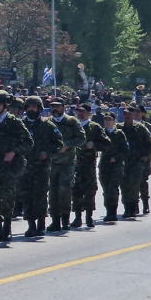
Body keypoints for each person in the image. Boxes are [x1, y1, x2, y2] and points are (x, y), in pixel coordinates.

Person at [0, 91, 32, 242]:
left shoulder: (14, 122)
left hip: (11, 164)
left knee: (7, 196)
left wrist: (14, 152)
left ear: (5, 105)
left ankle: (7, 228)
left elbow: (28, 142)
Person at [21, 96, 63, 237]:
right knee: (27, 196)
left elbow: (58, 143)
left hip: (42, 167)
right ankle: (30, 225)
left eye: (34, 107)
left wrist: (48, 152)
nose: (31, 109)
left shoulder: (47, 125)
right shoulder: (21, 125)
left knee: (40, 195)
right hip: (25, 166)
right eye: (29, 107)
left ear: (39, 108)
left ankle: (40, 224)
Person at [47, 99, 86, 231]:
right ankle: (55, 220)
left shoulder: (72, 122)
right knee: (52, 191)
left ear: (64, 107)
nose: (55, 109)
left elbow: (82, 138)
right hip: (51, 161)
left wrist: (67, 145)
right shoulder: (47, 123)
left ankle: (65, 219)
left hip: (67, 162)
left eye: (57, 107)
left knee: (64, 189)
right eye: (52, 107)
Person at [72, 103, 110, 228]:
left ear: (89, 113)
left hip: (88, 164)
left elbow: (106, 144)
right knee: (76, 191)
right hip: (74, 164)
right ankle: (77, 217)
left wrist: (94, 145)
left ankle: (89, 217)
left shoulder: (94, 127)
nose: (79, 113)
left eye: (82, 111)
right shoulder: (73, 126)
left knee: (89, 190)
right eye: (78, 111)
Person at [119, 106, 151, 218]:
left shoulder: (141, 128)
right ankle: (127, 208)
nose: (127, 116)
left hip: (136, 162)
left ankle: (134, 208)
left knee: (134, 185)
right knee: (124, 186)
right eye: (125, 114)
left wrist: (145, 156)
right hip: (124, 162)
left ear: (133, 115)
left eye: (129, 114)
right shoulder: (119, 128)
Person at [99, 112, 128, 222]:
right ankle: (108, 211)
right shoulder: (102, 133)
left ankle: (113, 212)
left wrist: (116, 157)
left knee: (113, 188)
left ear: (114, 121)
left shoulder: (119, 133)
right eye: (106, 119)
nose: (107, 121)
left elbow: (125, 149)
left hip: (116, 166)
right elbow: (97, 145)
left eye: (109, 119)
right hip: (104, 165)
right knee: (106, 189)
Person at [135, 105, 151, 214]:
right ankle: (134, 205)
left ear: (143, 113)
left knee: (142, 182)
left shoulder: (147, 126)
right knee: (131, 183)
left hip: (144, 159)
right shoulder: (128, 125)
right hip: (131, 159)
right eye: (133, 111)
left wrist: (146, 154)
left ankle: (145, 204)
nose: (135, 113)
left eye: (138, 111)